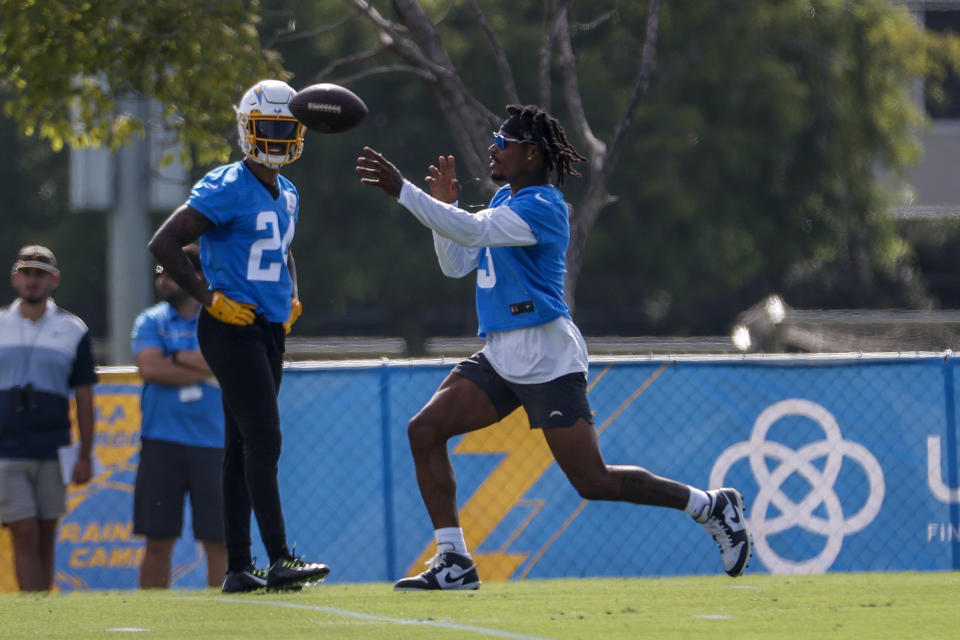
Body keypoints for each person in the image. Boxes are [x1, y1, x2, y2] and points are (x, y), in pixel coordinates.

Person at [356, 104, 754, 590]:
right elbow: (456, 264)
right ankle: (454, 561)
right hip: (502, 355)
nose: (493, 148)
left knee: (593, 481)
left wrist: (406, 191)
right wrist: (446, 212)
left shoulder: (544, 206)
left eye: (503, 142)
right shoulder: (505, 196)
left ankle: (710, 506)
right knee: (425, 430)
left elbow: (475, 232)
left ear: (532, 152)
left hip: (547, 357)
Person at [147, 79, 329, 593]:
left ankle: (237, 569)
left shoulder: (288, 191)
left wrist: (293, 293)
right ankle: (278, 558)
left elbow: (282, 248)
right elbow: (164, 242)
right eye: (267, 127)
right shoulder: (226, 184)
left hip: (269, 330)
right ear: (247, 129)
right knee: (264, 438)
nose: (275, 137)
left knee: (239, 446)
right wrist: (208, 298)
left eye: (284, 129)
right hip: (231, 328)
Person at [0, 245, 96, 591]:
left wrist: (85, 453)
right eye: (26, 273)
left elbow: (84, 394)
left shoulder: (73, 329)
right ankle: (31, 604)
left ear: (53, 279)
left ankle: (42, 607)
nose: (32, 281)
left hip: (54, 445)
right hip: (6, 447)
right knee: (23, 530)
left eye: (39, 274)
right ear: (15, 277)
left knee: (45, 532)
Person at [132, 245, 227, 588]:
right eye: (160, 273)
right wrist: (202, 365)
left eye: (170, 273)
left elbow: (225, 364)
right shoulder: (151, 320)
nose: (163, 280)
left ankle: (223, 617)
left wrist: (174, 356)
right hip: (161, 443)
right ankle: (152, 619)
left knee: (219, 541)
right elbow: (150, 368)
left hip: (214, 443)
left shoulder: (221, 318)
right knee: (157, 540)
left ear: (197, 277)